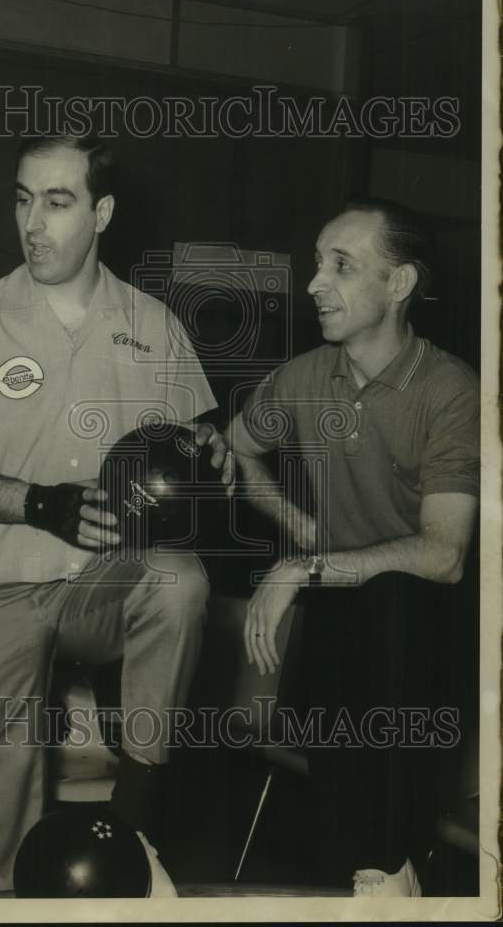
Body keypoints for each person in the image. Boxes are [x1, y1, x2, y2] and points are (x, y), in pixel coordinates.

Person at [0, 134, 231, 896]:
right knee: (11, 821)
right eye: (23, 200)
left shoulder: (154, 324)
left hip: (99, 580)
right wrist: (39, 502)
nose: (34, 222)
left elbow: (197, 446)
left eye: (57, 202)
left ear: (101, 212)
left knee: (179, 582)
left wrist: (214, 459)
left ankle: (138, 815)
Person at [227, 197, 479, 896]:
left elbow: (446, 554)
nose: (314, 283)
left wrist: (302, 565)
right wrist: (295, 522)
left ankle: (384, 867)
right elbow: (236, 451)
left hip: (432, 643)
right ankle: (380, 871)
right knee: (347, 621)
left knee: (392, 598)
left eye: (342, 266)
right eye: (317, 263)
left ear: (398, 285)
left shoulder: (453, 391)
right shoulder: (304, 377)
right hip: (340, 641)